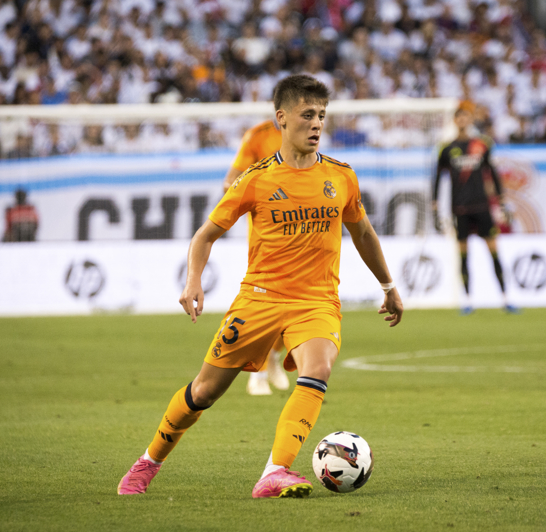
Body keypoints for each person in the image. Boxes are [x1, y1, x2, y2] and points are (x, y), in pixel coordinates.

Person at [118, 75, 404, 499]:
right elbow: (205, 235)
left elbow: (362, 232)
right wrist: (193, 281)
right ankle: (148, 462)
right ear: (281, 118)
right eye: (307, 115)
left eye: (321, 115)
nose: (316, 124)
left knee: (318, 368)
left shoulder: (342, 176)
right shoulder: (256, 179)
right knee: (204, 391)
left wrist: (388, 284)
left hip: (316, 301)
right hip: (259, 300)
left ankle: (275, 471)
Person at [222, 116, 288, 396]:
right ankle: (257, 374)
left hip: (302, 236)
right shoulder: (258, 136)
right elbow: (230, 183)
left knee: (293, 307)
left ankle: (273, 357)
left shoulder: (309, 136)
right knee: (267, 305)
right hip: (267, 238)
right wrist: (265, 196)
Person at [431, 106, 518, 315]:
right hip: (459, 209)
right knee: (463, 255)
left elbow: (492, 172)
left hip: (482, 206)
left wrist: (501, 199)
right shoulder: (446, 148)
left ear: (470, 120)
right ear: (454, 121)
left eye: (465, 117)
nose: (462, 121)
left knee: (494, 252)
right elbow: (437, 177)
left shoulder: (482, 144)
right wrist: (435, 203)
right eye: (459, 117)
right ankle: (468, 300)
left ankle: (505, 298)